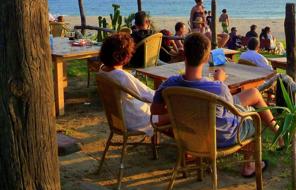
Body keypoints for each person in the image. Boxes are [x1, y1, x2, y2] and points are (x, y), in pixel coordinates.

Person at [151, 33, 283, 177]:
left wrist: (180, 108)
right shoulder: (217, 88)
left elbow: (155, 110)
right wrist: (219, 81)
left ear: (184, 55)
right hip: (221, 138)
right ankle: (249, 165)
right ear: (207, 58)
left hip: (189, 136)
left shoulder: (169, 84)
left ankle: (279, 134)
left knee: (252, 94)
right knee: (251, 116)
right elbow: (231, 110)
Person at [98, 33, 157, 136]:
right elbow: (149, 95)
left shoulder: (102, 70)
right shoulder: (121, 76)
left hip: (120, 118)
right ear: (121, 56)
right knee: (172, 113)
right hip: (135, 119)